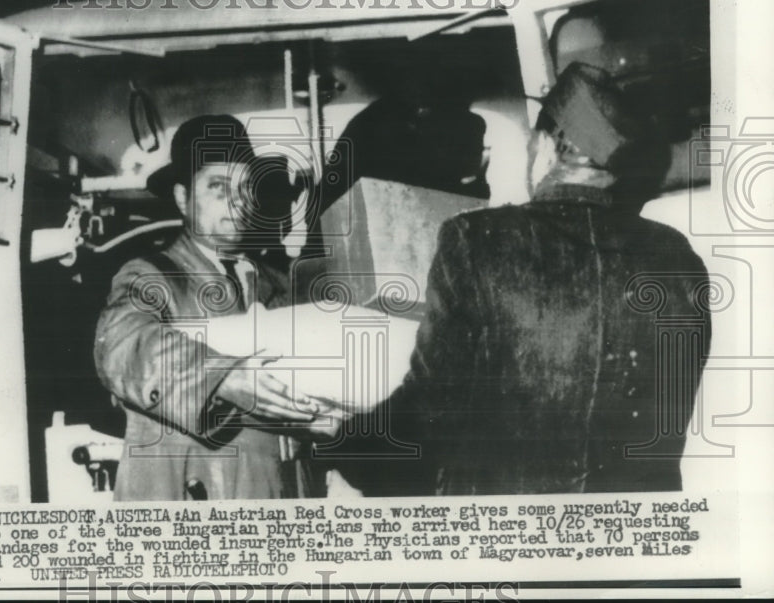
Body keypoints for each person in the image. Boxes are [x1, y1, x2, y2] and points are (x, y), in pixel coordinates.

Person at [380, 62, 711, 495]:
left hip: (509, 543)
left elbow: (425, 415)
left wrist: (336, 438)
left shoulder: (477, 240)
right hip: (633, 541)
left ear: (546, 148)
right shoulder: (678, 259)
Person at [94, 114, 324, 501]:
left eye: (245, 187)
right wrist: (221, 377)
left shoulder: (283, 284)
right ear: (183, 198)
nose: (237, 202)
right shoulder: (150, 277)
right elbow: (122, 347)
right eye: (218, 186)